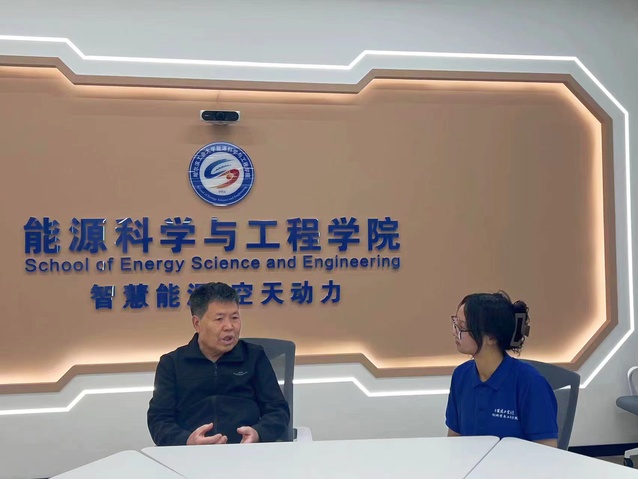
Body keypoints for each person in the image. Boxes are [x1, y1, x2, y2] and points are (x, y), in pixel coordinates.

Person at [147, 282, 290, 446]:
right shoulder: (172, 363)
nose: (229, 327)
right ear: (197, 324)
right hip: (191, 454)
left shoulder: (254, 356)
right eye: (219, 319)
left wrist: (258, 433)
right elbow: (159, 419)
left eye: (235, 318)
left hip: (246, 451)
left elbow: (278, 410)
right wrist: (186, 441)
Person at [445, 291, 558, 447]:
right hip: (472, 462)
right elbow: (454, 440)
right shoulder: (461, 375)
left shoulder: (530, 382)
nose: (454, 332)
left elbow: (547, 450)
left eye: (462, 327)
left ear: (491, 337)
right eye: (456, 324)